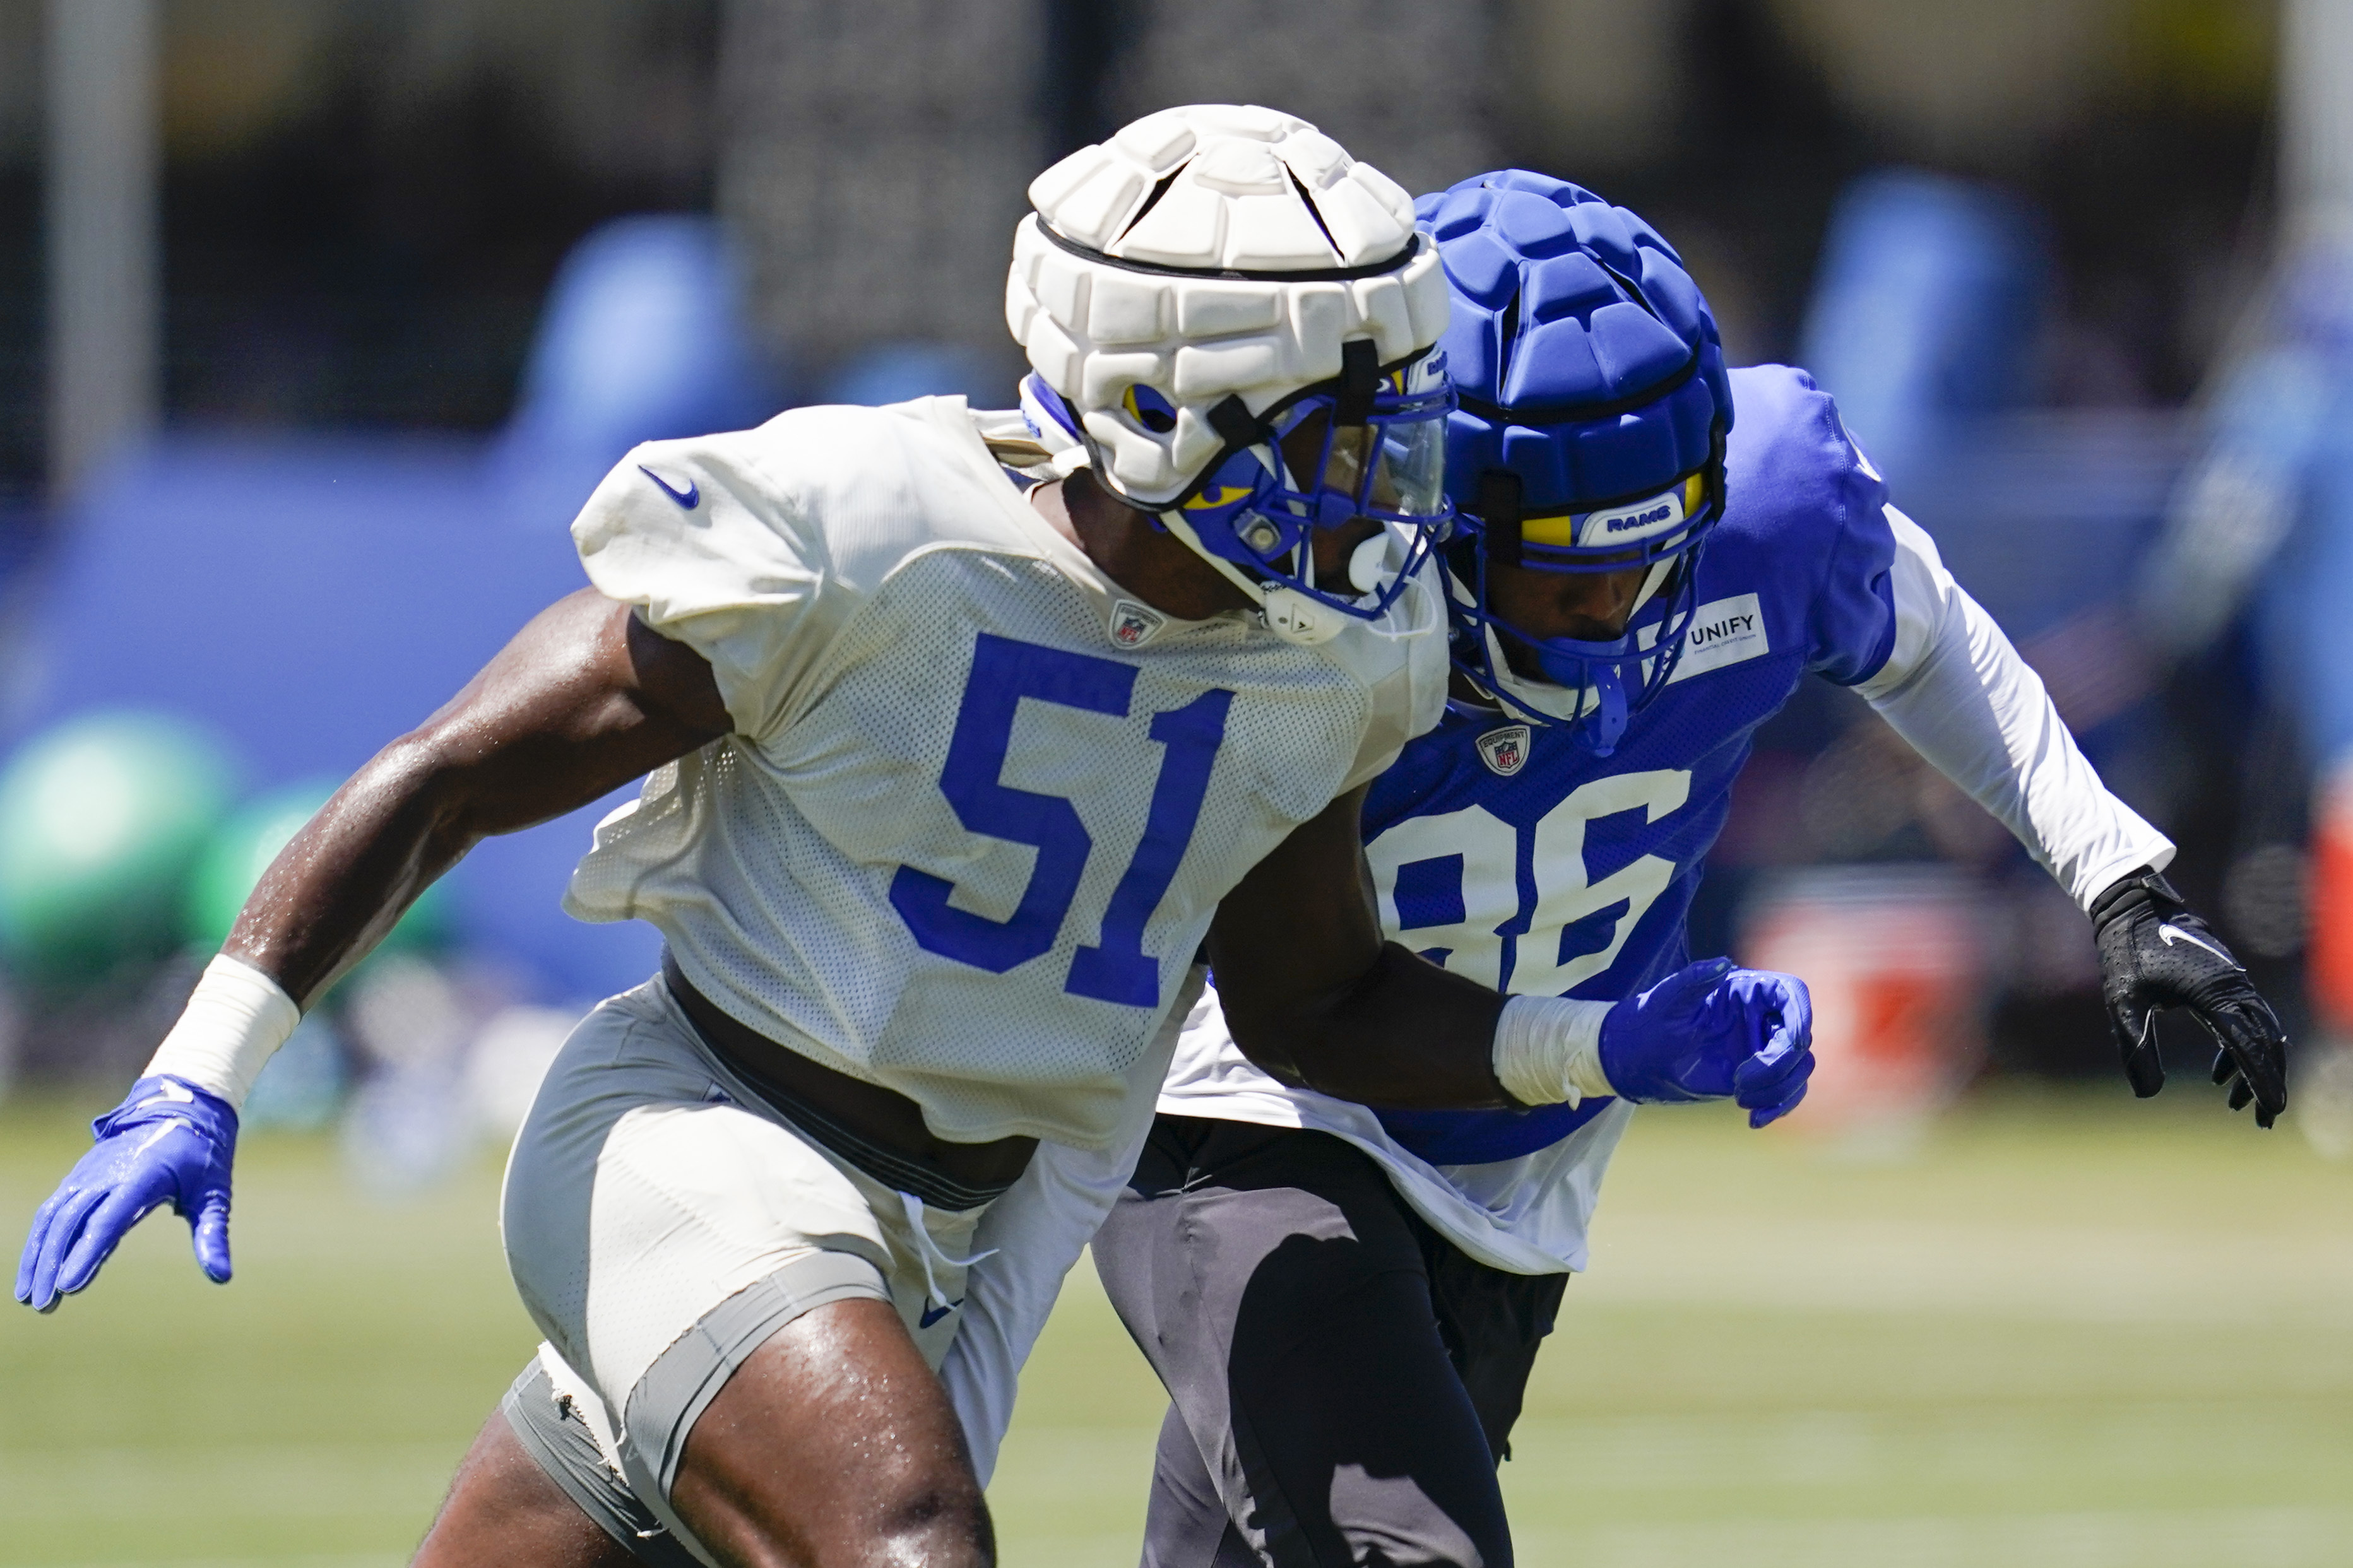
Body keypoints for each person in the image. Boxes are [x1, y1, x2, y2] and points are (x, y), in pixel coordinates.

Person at [10, 118, 1811, 1568]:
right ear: (1173, 409)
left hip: (976, 1219)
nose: (1397, 479)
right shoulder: (862, 535)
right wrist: (200, 1069)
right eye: (1351, 430)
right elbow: (451, 769)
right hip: (706, 1129)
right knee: (907, 1542)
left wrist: (1590, 1039)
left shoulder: (1337, 646)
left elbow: (1315, 1000)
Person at [1085, 170, 2295, 1568]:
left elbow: (1927, 638)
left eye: (1652, 559)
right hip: (1260, 1113)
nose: (1618, 612)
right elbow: (1289, 984)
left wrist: (2116, 879)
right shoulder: (1323, 597)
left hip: (1511, 1174)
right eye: (1567, 573)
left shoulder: (1767, 507)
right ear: (1444, 519)